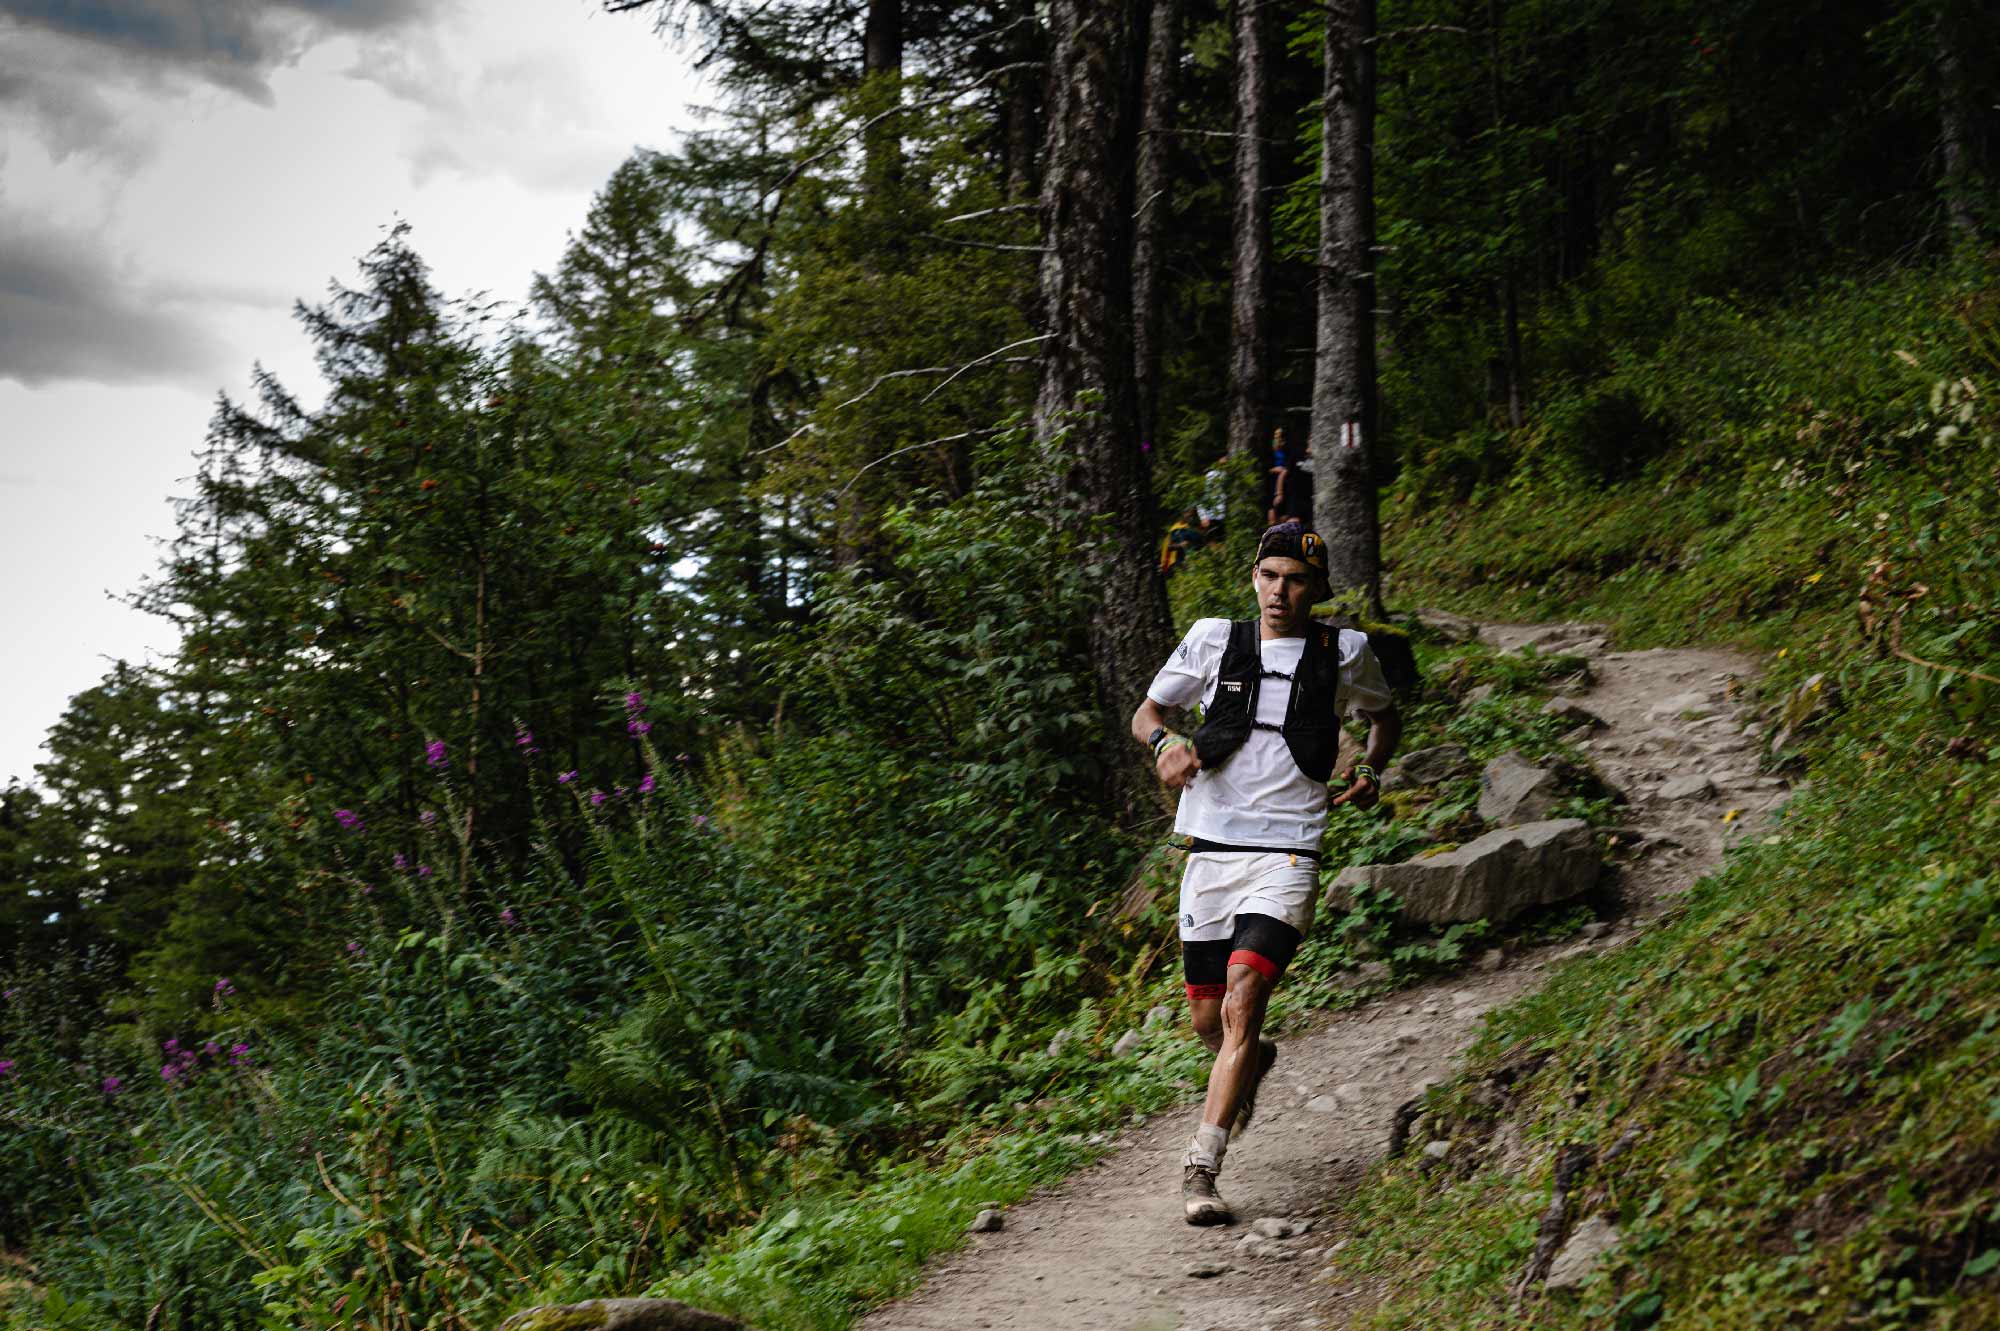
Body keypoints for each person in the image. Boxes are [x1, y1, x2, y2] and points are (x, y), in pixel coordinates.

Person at [1128, 521, 1402, 1225]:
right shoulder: (1215, 637)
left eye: (1297, 579)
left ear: (1317, 588)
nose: (1281, 591)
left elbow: (1383, 716)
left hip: (1289, 850)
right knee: (1205, 1016)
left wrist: (1369, 767)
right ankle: (1249, 1061)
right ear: (1254, 577)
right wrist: (1165, 743)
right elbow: (1148, 712)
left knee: (1244, 996)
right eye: (1270, 575)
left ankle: (1202, 1168)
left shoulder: (1346, 650)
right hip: (1211, 848)